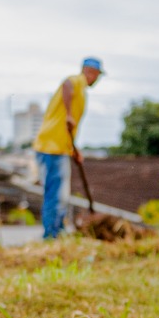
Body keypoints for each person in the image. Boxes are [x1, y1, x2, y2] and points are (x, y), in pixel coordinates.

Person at [33, 58, 104, 239]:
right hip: (51, 147)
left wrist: (74, 150)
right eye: (97, 75)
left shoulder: (81, 91)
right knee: (55, 194)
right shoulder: (76, 81)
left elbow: (66, 128)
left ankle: (58, 230)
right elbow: (66, 84)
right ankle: (51, 235)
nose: (97, 79)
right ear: (91, 72)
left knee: (61, 195)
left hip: (60, 147)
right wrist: (70, 115)